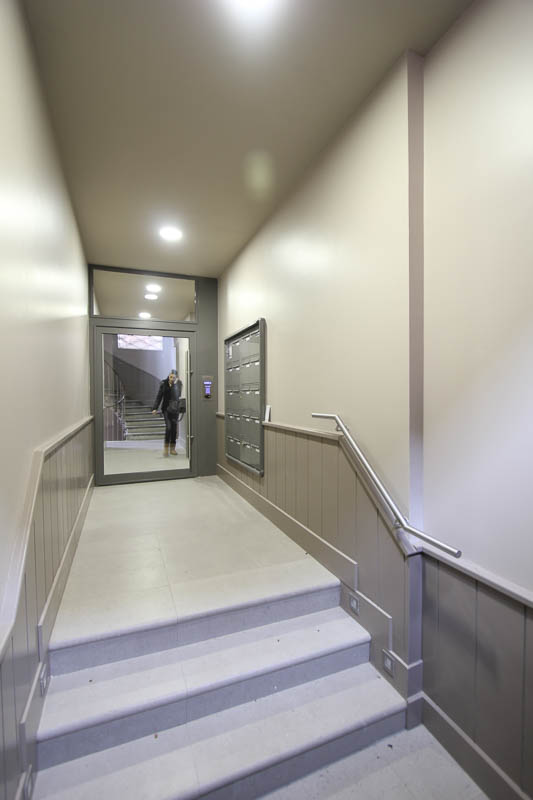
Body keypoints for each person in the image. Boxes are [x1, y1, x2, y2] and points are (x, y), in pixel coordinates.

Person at [152, 369, 183, 456]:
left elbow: (178, 395)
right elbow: (159, 396)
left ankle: (172, 449)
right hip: (166, 409)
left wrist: (174, 385)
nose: (172, 379)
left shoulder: (178, 384)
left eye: (174, 377)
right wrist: (155, 408)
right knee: (169, 427)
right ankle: (166, 448)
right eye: (171, 377)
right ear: (169, 376)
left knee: (174, 429)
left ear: (176, 378)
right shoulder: (163, 383)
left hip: (175, 409)